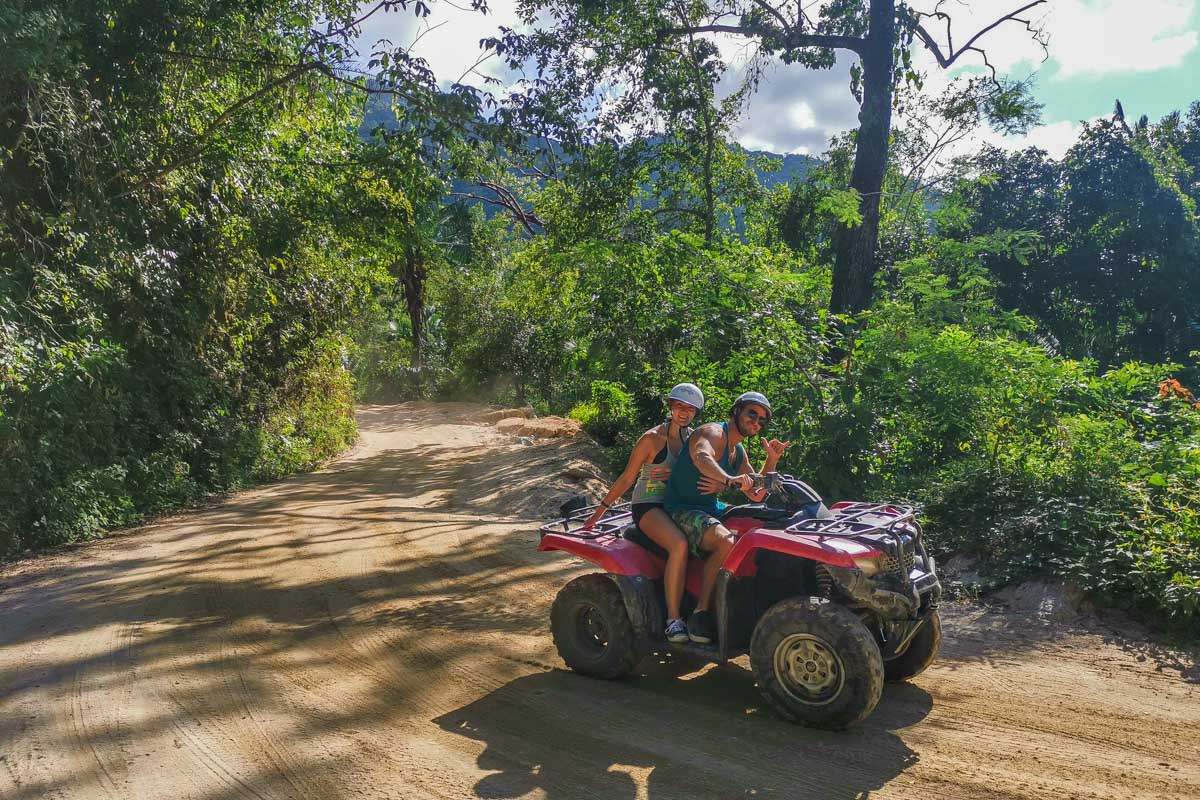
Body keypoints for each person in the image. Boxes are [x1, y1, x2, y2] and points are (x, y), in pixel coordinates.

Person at [581, 383, 706, 643]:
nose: (684, 413)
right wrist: (599, 513)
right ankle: (673, 621)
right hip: (648, 506)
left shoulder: (692, 439)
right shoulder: (652, 439)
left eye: (690, 409)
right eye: (680, 406)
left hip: (676, 506)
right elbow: (627, 478)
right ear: (671, 406)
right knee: (680, 544)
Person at [664, 391, 790, 644]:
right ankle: (700, 614)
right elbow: (702, 457)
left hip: (712, 507)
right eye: (751, 414)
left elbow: (755, 493)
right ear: (737, 411)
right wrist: (729, 480)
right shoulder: (713, 433)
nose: (755, 422)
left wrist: (771, 460)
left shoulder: (737, 451)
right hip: (682, 509)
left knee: (762, 524)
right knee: (726, 541)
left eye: (761, 421)